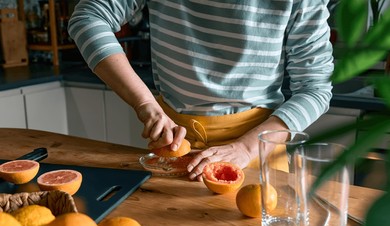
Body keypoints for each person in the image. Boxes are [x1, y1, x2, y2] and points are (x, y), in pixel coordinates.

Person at [68, 0, 334, 181]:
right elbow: (87, 17)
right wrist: (146, 105)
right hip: (173, 148)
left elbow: (315, 88)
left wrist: (246, 149)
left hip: (257, 150)